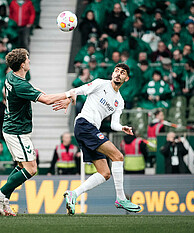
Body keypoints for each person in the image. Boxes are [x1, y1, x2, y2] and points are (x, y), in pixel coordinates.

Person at [0, 48, 76, 216]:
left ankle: (4, 198)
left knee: (21, 166)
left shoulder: (11, 76)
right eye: (27, 59)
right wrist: (69, 94)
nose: (29, 61)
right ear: (22, 64)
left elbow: (22, 91)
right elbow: (47, 100)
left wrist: (41, 93)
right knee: (31, 169)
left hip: (12, 127)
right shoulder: (20, 84)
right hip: (17, 131)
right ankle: (0, 193)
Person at [53, 63, 141, 214]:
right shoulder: (101, 83)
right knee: (118, 156)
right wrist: (69, 96)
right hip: (84, 124)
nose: (118, 74)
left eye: (122, 73)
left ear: (126, 78)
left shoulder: (119, 101)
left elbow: (114, 124)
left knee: (105, 173)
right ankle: (120, 198)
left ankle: (73, 194)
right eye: (116, 71)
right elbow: (79, 90)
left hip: (90, 130)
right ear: (113, 73)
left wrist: (122, 128)